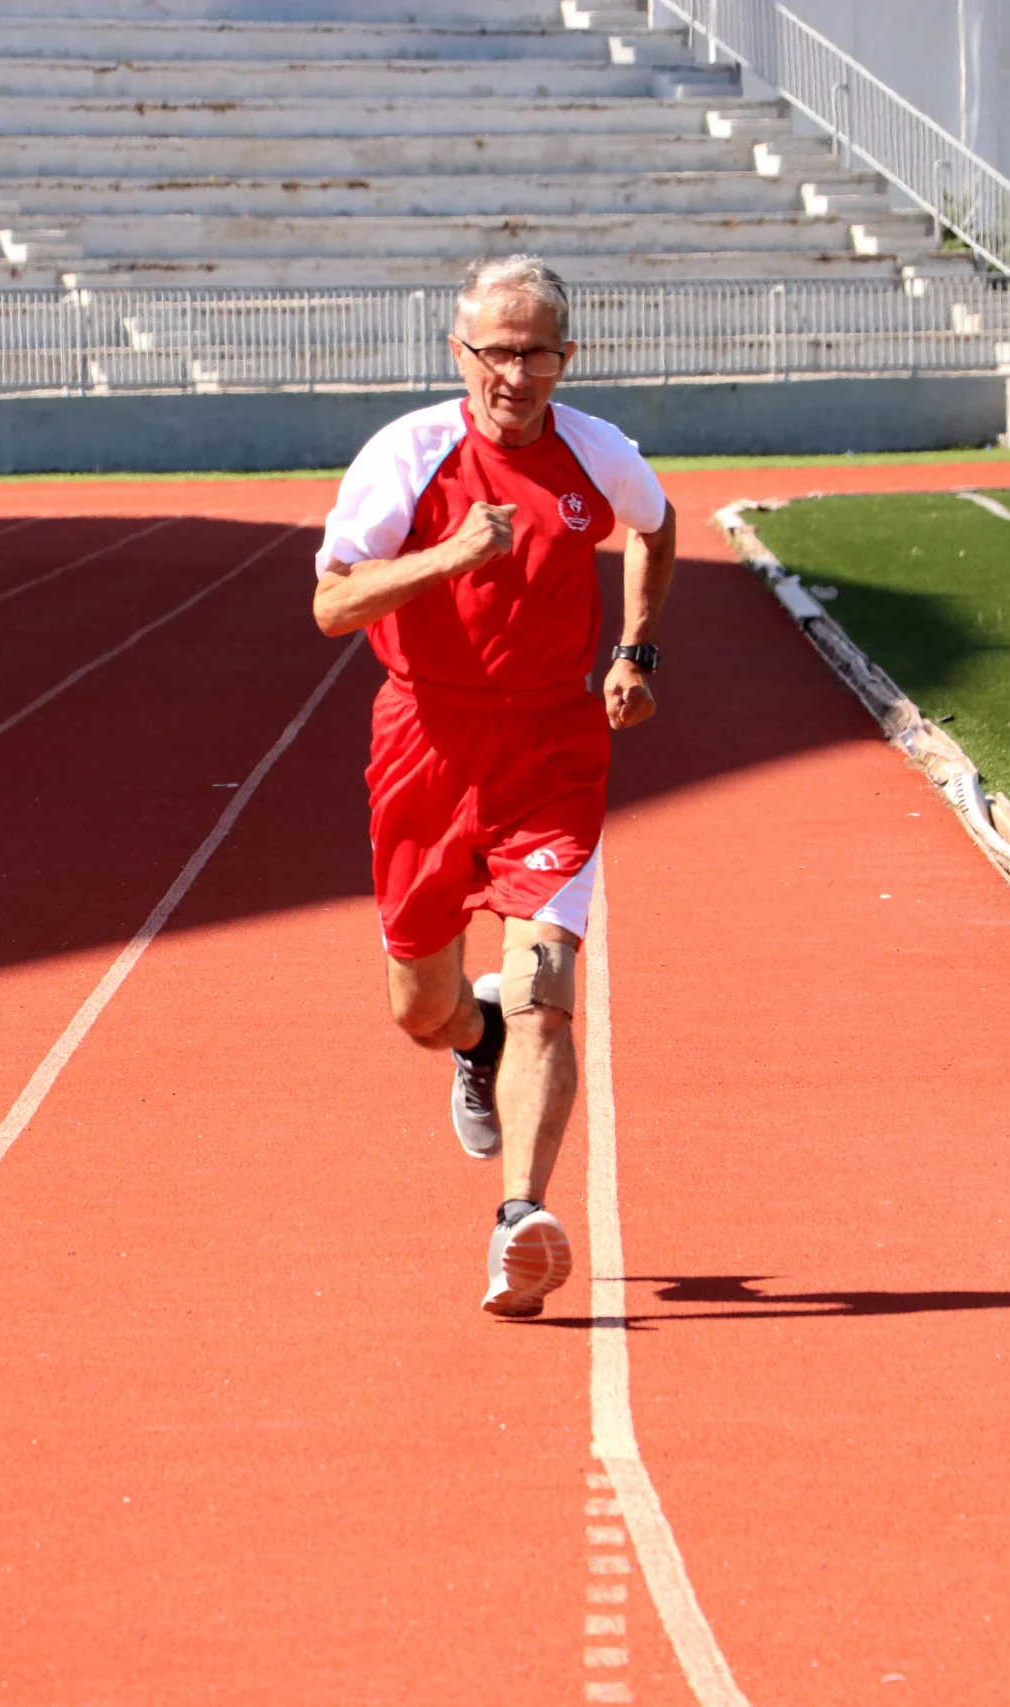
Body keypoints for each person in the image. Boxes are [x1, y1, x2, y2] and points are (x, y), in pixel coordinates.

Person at [313, 256, 677, 1319]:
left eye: (535, 353)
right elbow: (333, 608)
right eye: (495, 351)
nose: (514, 374)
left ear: (568, 356)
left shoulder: (595, 452)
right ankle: (473, 1044)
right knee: (419, 1006)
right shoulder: (408, 454)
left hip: (553, 747)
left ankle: (519, 1218)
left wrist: (636, 654)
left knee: (547, 994)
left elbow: (655, 527)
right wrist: (450, 558)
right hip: (424, 738)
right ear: (457, 351)